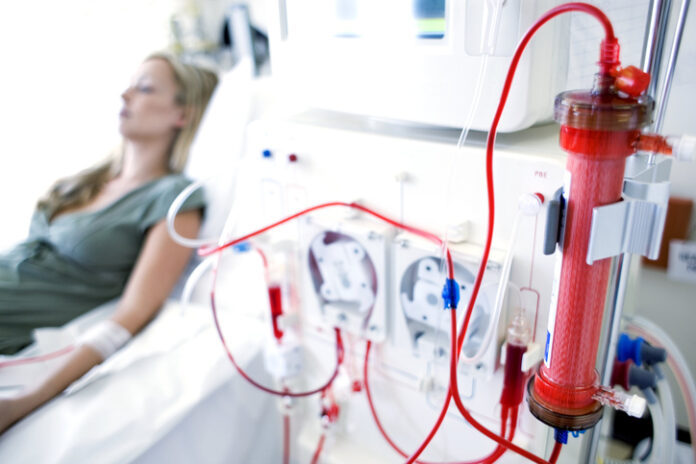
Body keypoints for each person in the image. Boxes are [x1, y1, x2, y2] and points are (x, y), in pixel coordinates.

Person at [0, 52, 219, 433]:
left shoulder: (172, 199)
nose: (125, 95)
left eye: (145, 88)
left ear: (181, 116)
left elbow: (129, 316)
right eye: (130, 84)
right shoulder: (83, 182)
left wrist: (24, 403)